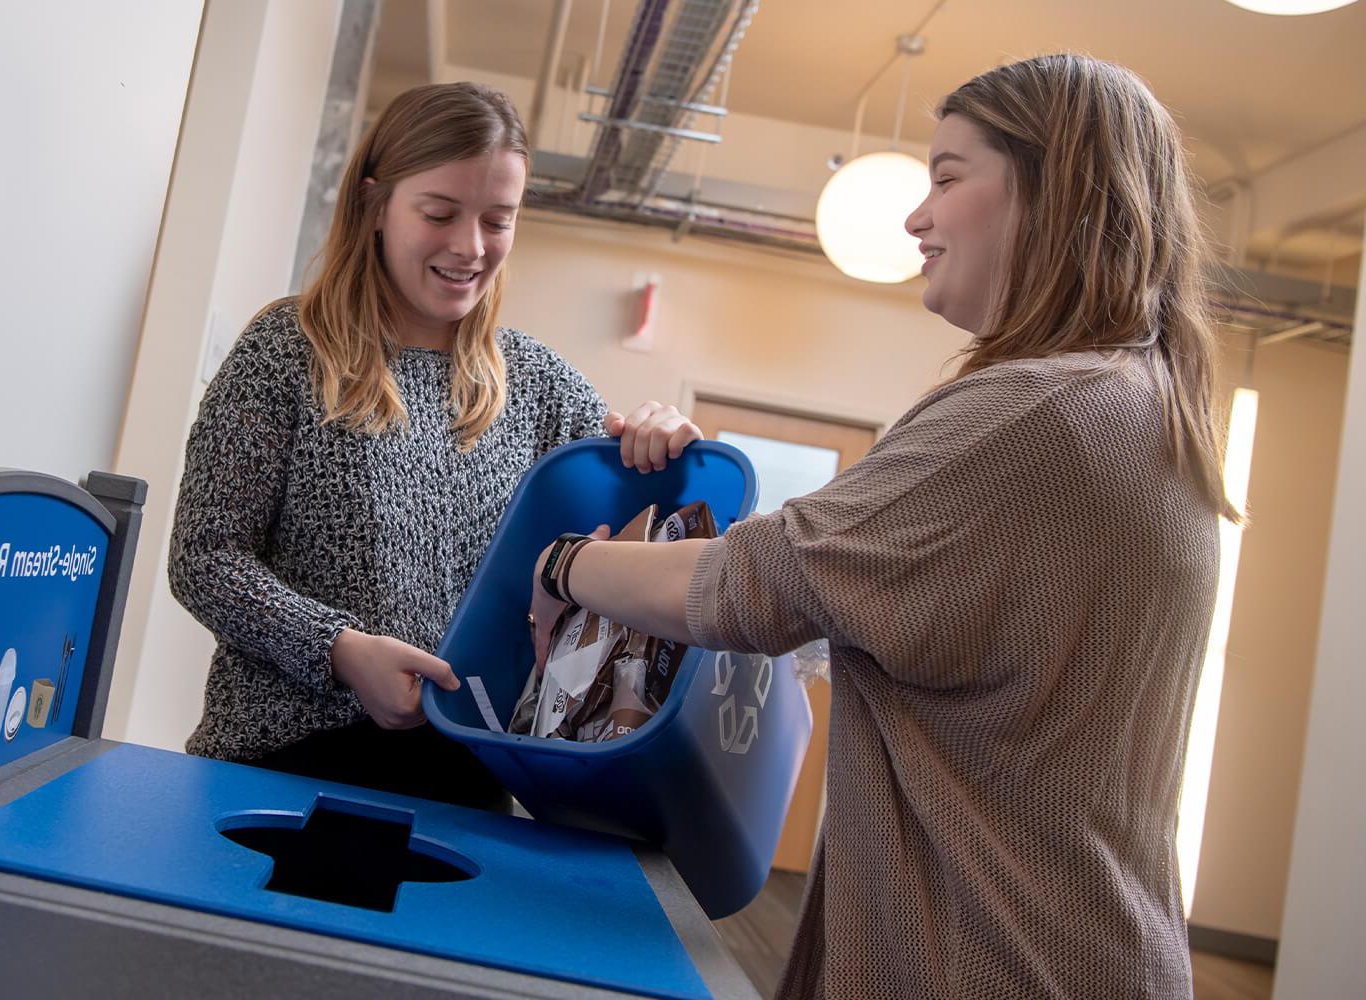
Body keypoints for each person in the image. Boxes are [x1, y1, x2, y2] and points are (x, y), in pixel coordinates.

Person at [529, 54, 1234, 997]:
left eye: (947, 178)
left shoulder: (1035, 412)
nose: (917, 218)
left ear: (1055, 190)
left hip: (993, 959)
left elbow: (749, 586)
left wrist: (565, 564)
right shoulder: (1145, 409)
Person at [170, 82, 700, 809]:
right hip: (282, 772)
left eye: (497, 220)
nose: (471, 247)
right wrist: (339, 650)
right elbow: (203, 557)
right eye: (440, 213)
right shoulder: (288, 350)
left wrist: (662, 441)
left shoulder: (541, 386)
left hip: (473, 784)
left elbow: (640, 543)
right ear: (374, 205)